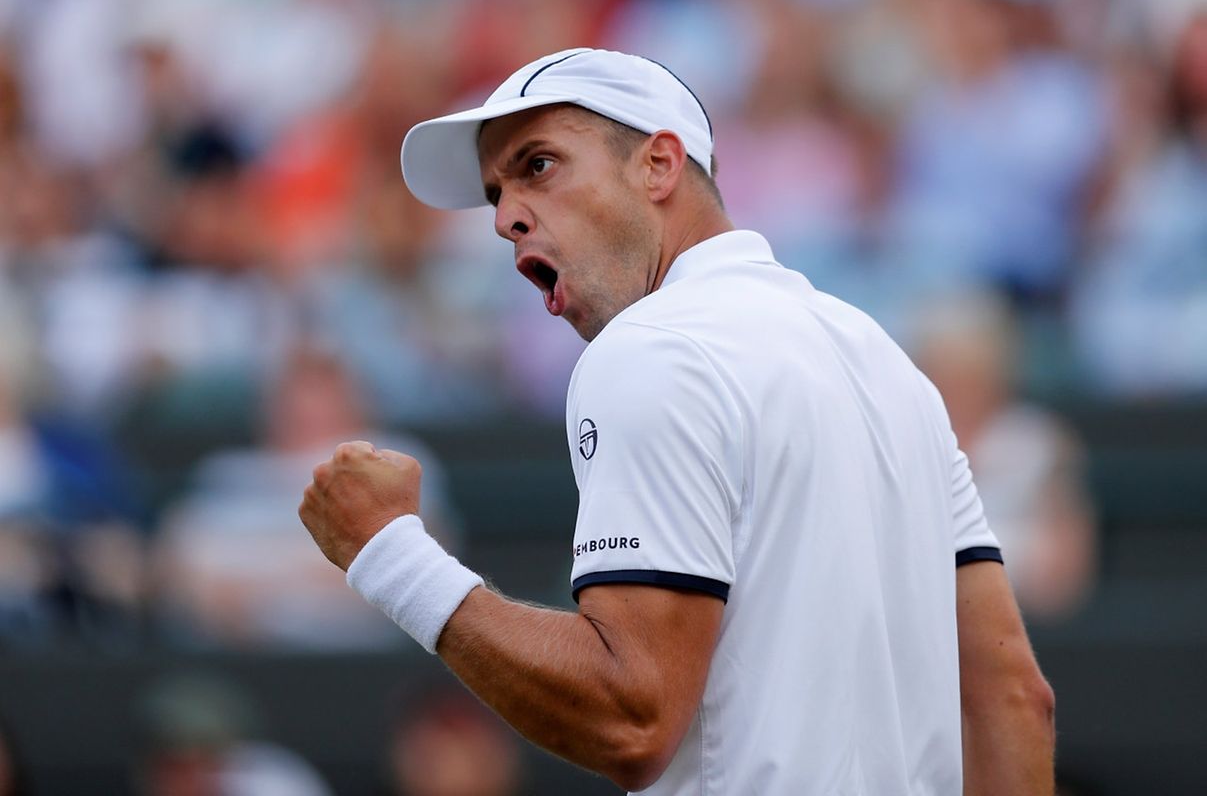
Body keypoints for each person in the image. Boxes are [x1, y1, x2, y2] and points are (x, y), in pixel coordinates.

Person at [299, 48, 1056, 794]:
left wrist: (390, 555)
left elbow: (631, 719)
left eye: (538, 165)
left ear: (659, 165)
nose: (504, 218)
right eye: (498, 191)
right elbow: (1014, 697)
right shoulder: (889, 367)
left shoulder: (650, 348)